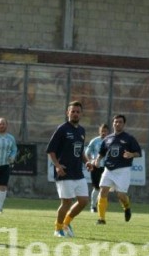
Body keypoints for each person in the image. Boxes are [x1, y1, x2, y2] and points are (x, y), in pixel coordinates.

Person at [46, 101, 87, 237]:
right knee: (67, 203)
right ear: (68, 113)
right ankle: (58, 229)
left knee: (83, 201)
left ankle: (66, 222)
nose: (75, 114)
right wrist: (57, 166)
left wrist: (87, 162)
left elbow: (80, 151)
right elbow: (51, 150)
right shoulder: (62, 129)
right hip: (64, 172)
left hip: (78, 172)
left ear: (81, 114)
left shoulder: (81, 130)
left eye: (77, 111)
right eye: (72, 111)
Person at [94, 114, 141, 225]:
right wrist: (97, 160)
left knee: (121, 195)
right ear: (113, 123)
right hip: (108, 169)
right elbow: (101, 152)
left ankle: (127, 207)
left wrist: (131, 154)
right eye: (115, 122)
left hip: (123, 170)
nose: (117, 124)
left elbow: (138, 153)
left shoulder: (129, 138)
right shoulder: (107, 138)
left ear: (123, 124)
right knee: (103, 191)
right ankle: (101, 219)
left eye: (120, 122)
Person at [85, 123, 109, 212]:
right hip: (96, 167)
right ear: (99, 132)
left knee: (104, 188)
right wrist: (91, 161)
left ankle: (100, 206)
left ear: (108, 132)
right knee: (96, 187)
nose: (104, 133)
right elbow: (87, 153)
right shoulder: (95, 141)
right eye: (102, 131)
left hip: (107, 168)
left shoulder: (111, 141)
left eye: (105, 131)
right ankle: (93, 206)